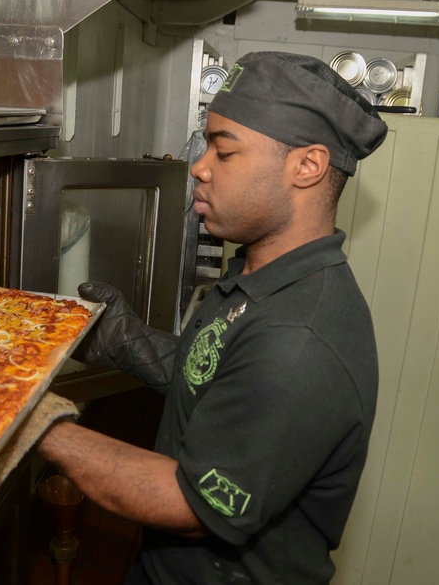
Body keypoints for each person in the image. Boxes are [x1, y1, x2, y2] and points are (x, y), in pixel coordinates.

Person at [36, 51, 388, 584]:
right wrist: (127, 340)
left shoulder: (299, 338)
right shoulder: (260, 274)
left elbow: (192, 504)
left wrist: (31, 425)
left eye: (224, 151)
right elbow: (223, 377)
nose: (200, 166)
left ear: (307, 166)